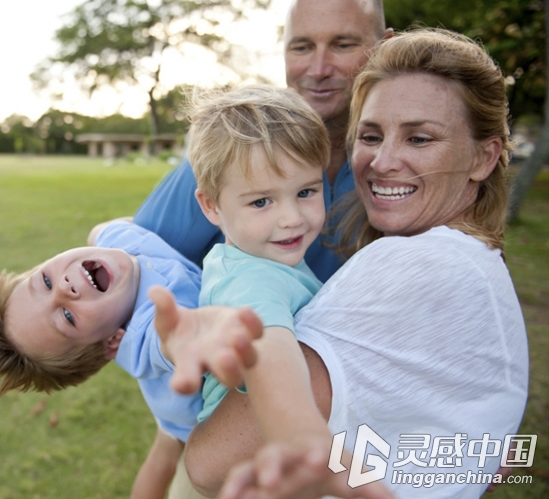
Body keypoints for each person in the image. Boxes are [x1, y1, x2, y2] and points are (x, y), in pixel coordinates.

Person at [151, 28, 529, 498]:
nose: (382, 161)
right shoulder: (478, 266)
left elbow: (209, 464)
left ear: (483, 156)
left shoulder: (416, 264)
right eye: (370, 135)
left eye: (419, 138)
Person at [0, 219, 242, 499]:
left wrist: (102, 230)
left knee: (163, 452)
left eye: (46, 281)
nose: (63, 287)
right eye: (67, 317)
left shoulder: (116, 244)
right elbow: (171, 341)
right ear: (112, 342)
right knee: (167, 455)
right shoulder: (149, 330)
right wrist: (188, 340)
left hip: (161, 395)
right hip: (184, 410)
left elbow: (99, 230)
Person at [132, 0, 392, 282]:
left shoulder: (403, 158)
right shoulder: (234, 147)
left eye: (342, 45)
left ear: (384, 47)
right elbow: (135, 259)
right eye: (301, 47)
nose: (318, 70)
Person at [184, 84, 327, 426]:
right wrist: (306, 434)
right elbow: (271, 354)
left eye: (306, 191)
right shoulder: (249, 280)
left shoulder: (259, 258)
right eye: (261, 202)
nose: (293, 219)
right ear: (211, 206)